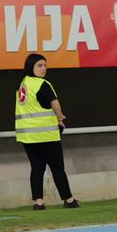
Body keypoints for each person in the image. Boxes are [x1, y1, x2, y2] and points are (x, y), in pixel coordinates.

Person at [15, 53, 80, 210]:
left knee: (37, 168)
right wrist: (59, 119)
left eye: (45, 65)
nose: (44, 68)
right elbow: (55, 104)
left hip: (27, 136)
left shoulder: (23, 84)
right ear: (31, 67)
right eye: (39, 65)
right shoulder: (42, 84)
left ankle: (38, 203)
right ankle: (69, 200)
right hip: (46, 134)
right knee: (57, 167)